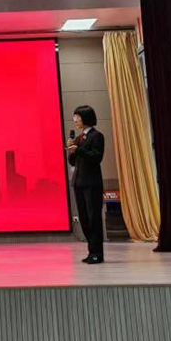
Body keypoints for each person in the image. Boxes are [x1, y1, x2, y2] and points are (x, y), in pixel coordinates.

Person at [66, 105, 106, 264]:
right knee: (84, 219)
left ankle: (97, 253)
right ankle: (91, 251)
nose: (75, 120)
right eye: (74, 117)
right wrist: (71, 151)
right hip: (79, 182)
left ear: (86, 117)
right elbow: (73, 162)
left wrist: (79, 150)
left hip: (92, 183)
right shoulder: (79, 138)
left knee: (93, 218)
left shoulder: (97, 136)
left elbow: (96, 157)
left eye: (77, 117)